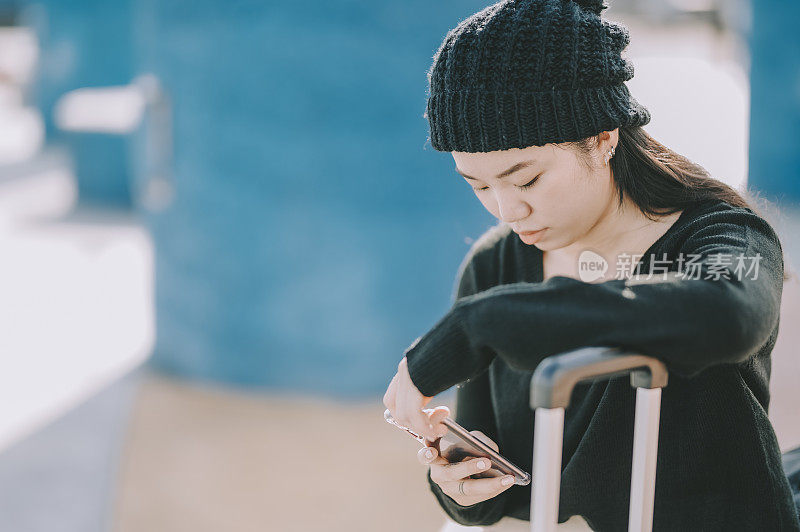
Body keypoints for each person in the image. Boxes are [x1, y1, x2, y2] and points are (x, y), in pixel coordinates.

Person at [382, 0, 800, 530]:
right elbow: (492, 492)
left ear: (603, 138)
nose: (508, 210)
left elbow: (729, 317)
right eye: (479, 184)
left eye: (527, 179)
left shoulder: (719, 239)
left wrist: (482, 324)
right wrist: (462, 485)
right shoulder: (497, 265)